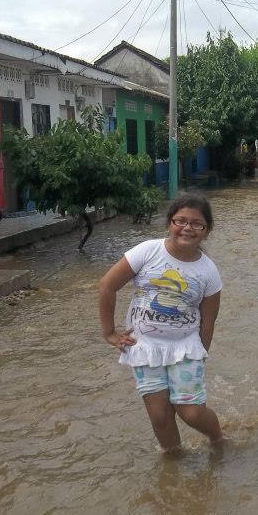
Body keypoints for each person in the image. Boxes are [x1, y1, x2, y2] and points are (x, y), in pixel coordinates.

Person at [98, 193, 225, 452]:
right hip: (145, 346)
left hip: (186, 348)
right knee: (160, 417)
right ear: (169, 223)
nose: (187, 228)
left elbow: (208, 321)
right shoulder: (148, 251)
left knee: (191, 413)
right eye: (181, 221)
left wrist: (201, 354)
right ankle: (174, 462)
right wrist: (109, 332)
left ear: (206, 231)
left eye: (197, 223)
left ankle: (219, 440)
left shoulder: (208, 271)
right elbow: (107, 285)